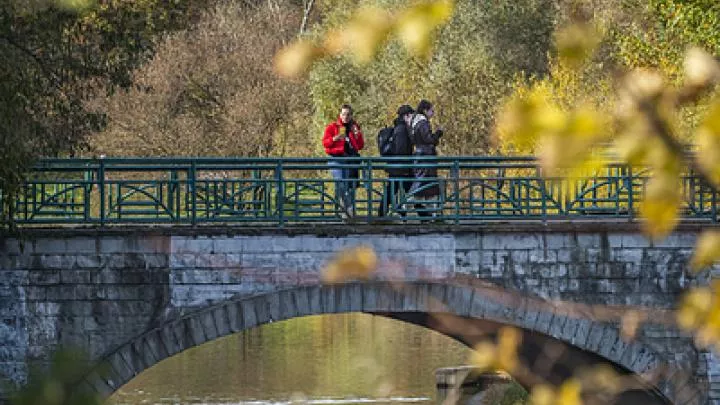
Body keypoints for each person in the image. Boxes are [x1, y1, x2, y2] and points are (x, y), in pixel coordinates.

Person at [322, 104, 364, 217]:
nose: (346, 116)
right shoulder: (332, 127)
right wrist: (335, 138)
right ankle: (349, 210)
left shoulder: (354, 127)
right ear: (340, 114)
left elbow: (360, 146)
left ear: (351, 115)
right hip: (336, 159)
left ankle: (346, 213)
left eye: (348, 114)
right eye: (344, 114)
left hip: (351, 160)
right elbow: (325, 143)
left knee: (350, 186)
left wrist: (357, 135)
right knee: (341, 183)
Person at [378, 105, 415, 217]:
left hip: (398, 167)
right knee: (413, 190)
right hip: (401, 167)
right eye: (412, 115)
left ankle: (385, 212)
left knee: (395, 190)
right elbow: (401, 150)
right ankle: (423, 214)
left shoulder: (400, 128)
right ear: (406, 115)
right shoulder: (402, 130)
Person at [409, 99, 443, 217]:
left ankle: (429, 212)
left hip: (419, 155)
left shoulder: (414, 121)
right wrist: (438, 133)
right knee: (424, 184)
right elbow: (429, 139)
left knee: (425, 185)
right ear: (425, 110)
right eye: (431, 110)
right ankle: (406, 204)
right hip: (425, 157)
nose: (433, 113)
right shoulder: (423, 123)